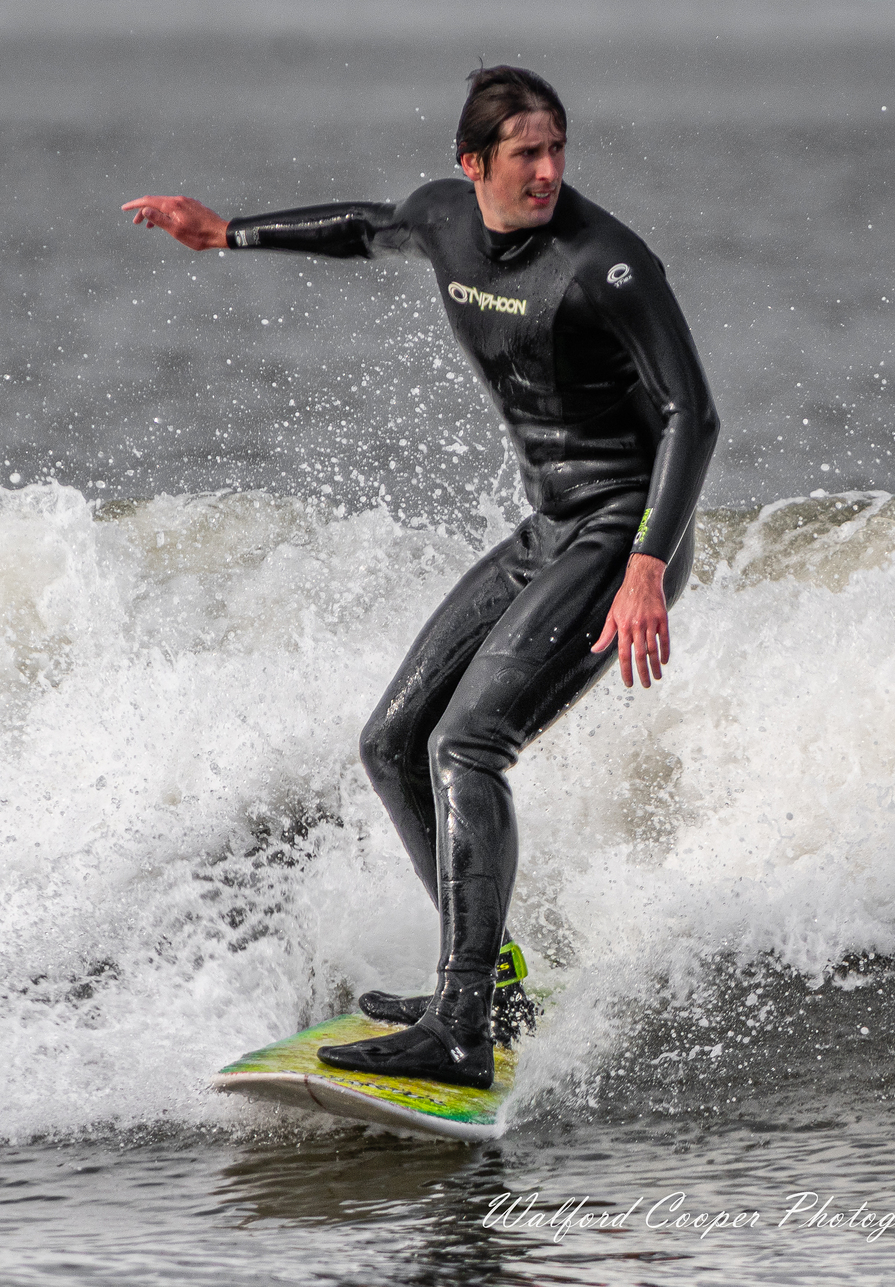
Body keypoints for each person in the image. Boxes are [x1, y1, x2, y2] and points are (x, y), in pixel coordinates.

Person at [124, 65, 719, 1089]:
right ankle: (485, 985)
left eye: (556, 150)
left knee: (466, 743)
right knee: (393, 740)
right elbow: (366, 226)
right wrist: (227, 235)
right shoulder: (445, 220)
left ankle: (459, 1027)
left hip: (620, 536)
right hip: (551, 528)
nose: (546, 171)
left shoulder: (605, 264)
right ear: (472, 164)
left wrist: (647, 569)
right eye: (525, 154)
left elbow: (688, 416)